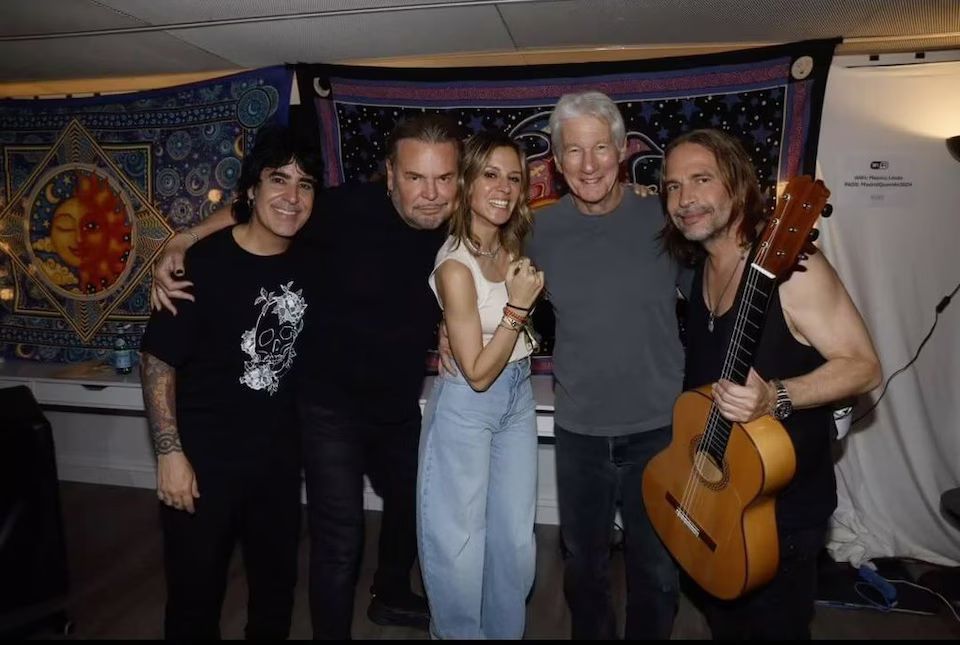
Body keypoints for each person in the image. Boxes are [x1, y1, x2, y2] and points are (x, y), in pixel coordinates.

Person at [151, 114, 463, 638]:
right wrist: (181, 240)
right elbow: (259, 205)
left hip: (395, 405)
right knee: (338, 538)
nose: (431, 194)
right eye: (415, 178)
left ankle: (389, 591)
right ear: (390, 175)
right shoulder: (340, 209)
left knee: (420, 504)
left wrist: (453, 325)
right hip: (328, 407)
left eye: (444, 179)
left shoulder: (456, 226)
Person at [660, 128, 882, 639]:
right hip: (717, 493)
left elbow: (863, 365)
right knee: (725, 622)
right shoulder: (699, 272)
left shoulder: (795, 272)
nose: (685, 199)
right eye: (673, 186)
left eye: (701, 179)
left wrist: (777, 396)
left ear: (738, 184)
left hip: (780, 509)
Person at [139, 125, 321, 639]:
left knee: (274, 598)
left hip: (279, 466)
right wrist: (169, 454)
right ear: (250, 190)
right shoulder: (200, 268)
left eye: (305, 184)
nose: (291, 196)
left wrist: (185, 230)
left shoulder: (313, 256)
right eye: (278, 180)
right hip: (202, 465)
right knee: (195, 601)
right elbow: (157, 363)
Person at [525, 91, 686, 639]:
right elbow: (487, 284)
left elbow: (718, 296)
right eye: (574, 151)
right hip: (579, 433)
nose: (588, 164)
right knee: (582, 571)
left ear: (621, 150)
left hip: (659, 430)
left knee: (658, 572)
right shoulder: (538, 231)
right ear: (555, 158)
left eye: (600, 148)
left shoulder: (665, 216)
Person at [418, 131, 543, 639]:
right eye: (490, 174)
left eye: (514, 178)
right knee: (459, 545)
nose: (504, 188)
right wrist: (517, 307)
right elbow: (476, 370)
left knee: (515, 542)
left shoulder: (508, 244)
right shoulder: (454, 265)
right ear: (467, 182)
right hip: (470, 403)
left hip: (518, 394)